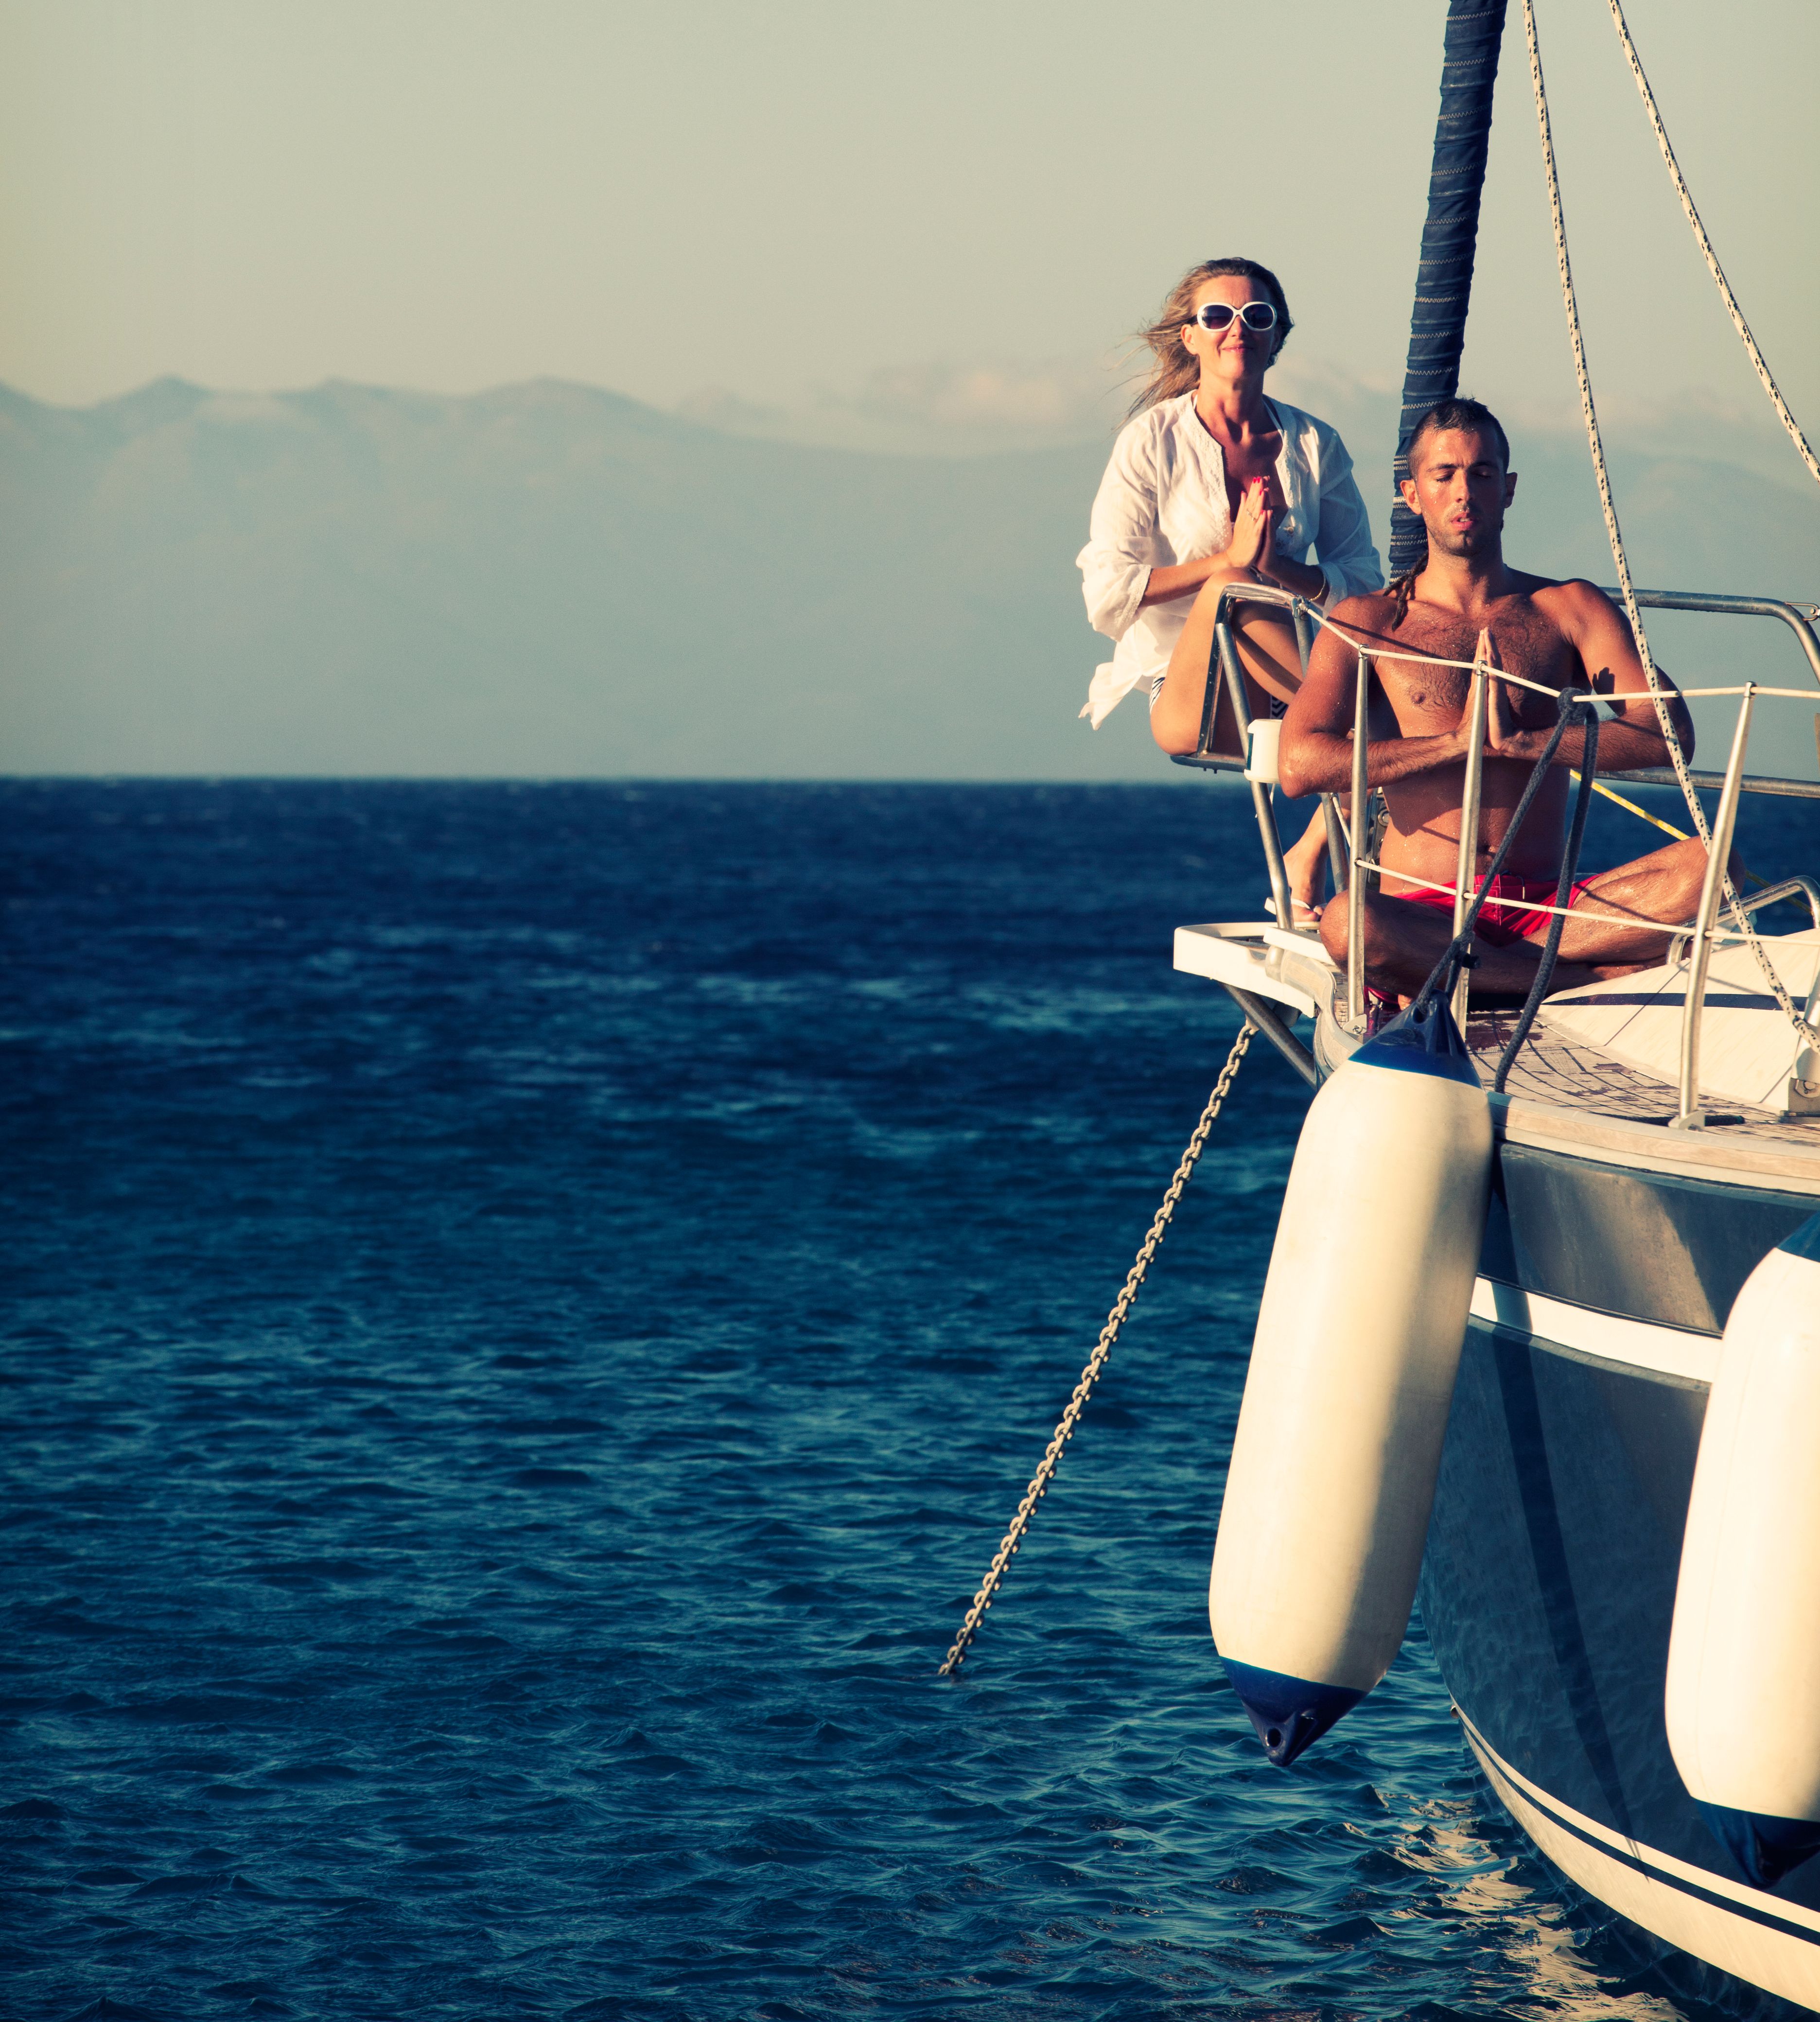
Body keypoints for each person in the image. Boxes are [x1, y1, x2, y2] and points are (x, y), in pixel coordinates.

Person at [1277, 396, 1708, 1002]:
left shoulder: (1568, 608)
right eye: (1444, 474)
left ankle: (1486, 972)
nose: (1464, 492)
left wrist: (1533, 743)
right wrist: (1455, 746)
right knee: (1349, 923)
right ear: (1412, 493)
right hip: (1426, 907)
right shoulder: (1368, 622)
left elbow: (1668, 734)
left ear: (1507, 489)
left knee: (1712, 866)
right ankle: (1581, 978)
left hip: (1548, 909)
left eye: (1481, 474)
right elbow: (1298, 765)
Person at [1077, 258, 1383, 920]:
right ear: (1189, 336)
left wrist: (1279, 566)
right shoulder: (1150, 442)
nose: (1237, 329)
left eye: (1257, 317)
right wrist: (1228, 561)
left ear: (1279, 335)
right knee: (1233, 590)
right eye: (1218, 316)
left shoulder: (1313, 444)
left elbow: (1362, 579)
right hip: (1193, 698)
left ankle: (1307, 858)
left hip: (1288, 690)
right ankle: (1371, 724)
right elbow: (1106, 595)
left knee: (1370, 704)